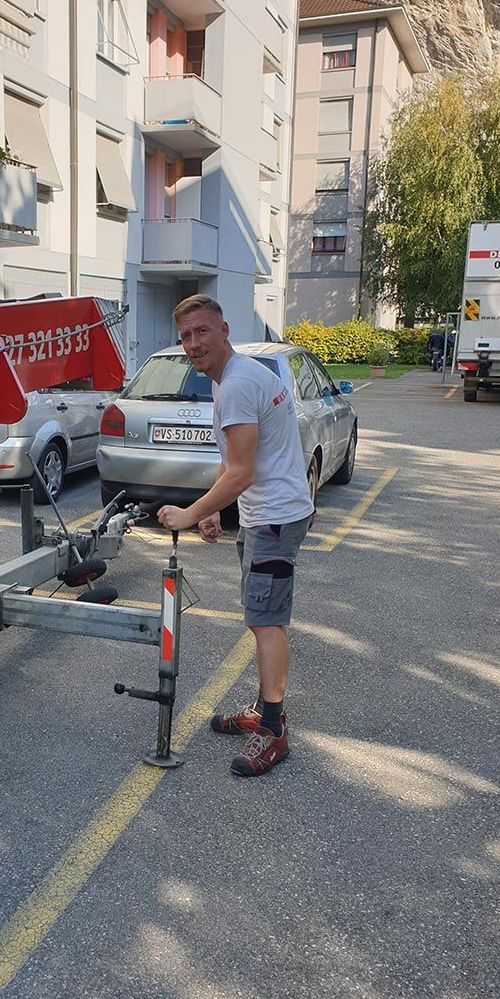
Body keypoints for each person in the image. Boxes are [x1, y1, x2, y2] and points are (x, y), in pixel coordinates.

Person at [157, 294, 314, 779]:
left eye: (202, 331)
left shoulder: (238, 384)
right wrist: (216, 511)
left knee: (268, 623)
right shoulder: (239, 376)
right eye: (185, 336)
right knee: (260, 618)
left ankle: (272, 729)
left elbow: (241, 472)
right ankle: (265, 710)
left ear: (223, 329)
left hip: (273, 518)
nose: (193, 343)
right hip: (264, 515)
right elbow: (235, 460)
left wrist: (187, 514)